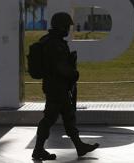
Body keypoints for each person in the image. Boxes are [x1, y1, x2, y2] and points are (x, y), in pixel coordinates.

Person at [32, 12, 99, 161]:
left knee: (68, 117)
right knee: (49, 119)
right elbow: (59, 67)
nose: (68, 29)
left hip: (57, 87)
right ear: (61, 25)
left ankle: (79, 146)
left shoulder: (51, 41)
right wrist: (74, 73)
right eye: (67, 26)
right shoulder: (55, 44)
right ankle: (38, 150)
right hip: (56, 87)